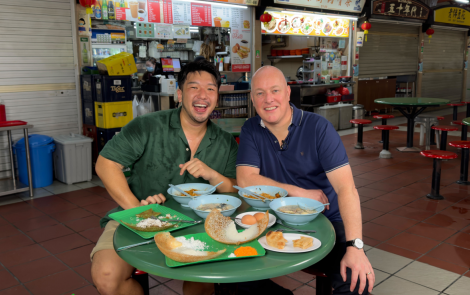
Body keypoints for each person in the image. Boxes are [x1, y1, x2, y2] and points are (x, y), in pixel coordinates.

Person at [91, 60, 239, 295]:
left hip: (200, 225)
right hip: (138, 215)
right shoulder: (147, 126)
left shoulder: (226, 141)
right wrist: (139, 214)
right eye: (194, 87)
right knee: (107, 277)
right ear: (179, 94)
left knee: (201, 280)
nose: (203, 95)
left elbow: (232, 192)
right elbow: (105, 164)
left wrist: (212, 175)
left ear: (217, 97)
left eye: (210, 89)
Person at [236, 66, 374, 295]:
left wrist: (355, 246)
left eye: (275, 90)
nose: (268, 99)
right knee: (237, 273)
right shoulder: (252, 128)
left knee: (355, 281)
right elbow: (245, 179)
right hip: (275, 222)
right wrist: (297, 191)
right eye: (260, 93)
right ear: (252, 98)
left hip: (327, 223)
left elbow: (346, 188)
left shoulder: (318, 128)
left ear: (288, 93)